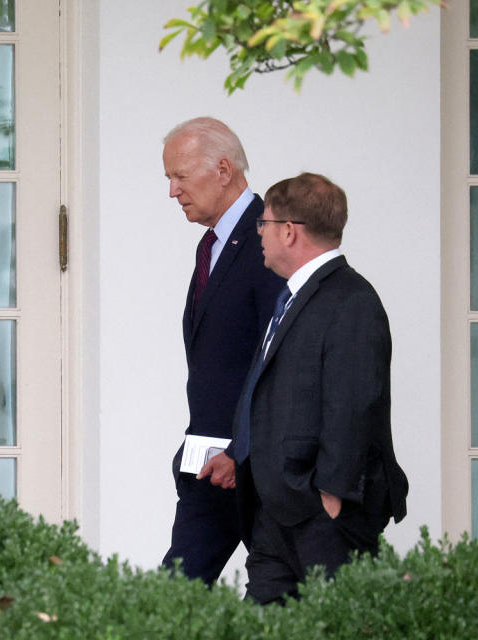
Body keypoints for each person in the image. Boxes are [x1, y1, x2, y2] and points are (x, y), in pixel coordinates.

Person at [227, 172, 409, 604]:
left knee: (334, 626)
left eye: (264, 224)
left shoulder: (352, 300)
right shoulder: (292, 296)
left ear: (289, 231)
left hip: (321, 516)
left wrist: (331, 495)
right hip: (274, 510)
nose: (260, 236)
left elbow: (355, 402)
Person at [160, 117, 286, 585]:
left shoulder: (267, 240)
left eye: (181, 176)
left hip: (253, 470)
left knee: (282, 597)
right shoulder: (212, 244)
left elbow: (276, 361)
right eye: (169, 178)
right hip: (207, 467)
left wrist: (242, 449)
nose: (173, 191)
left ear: (223, 170)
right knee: (173, 593)